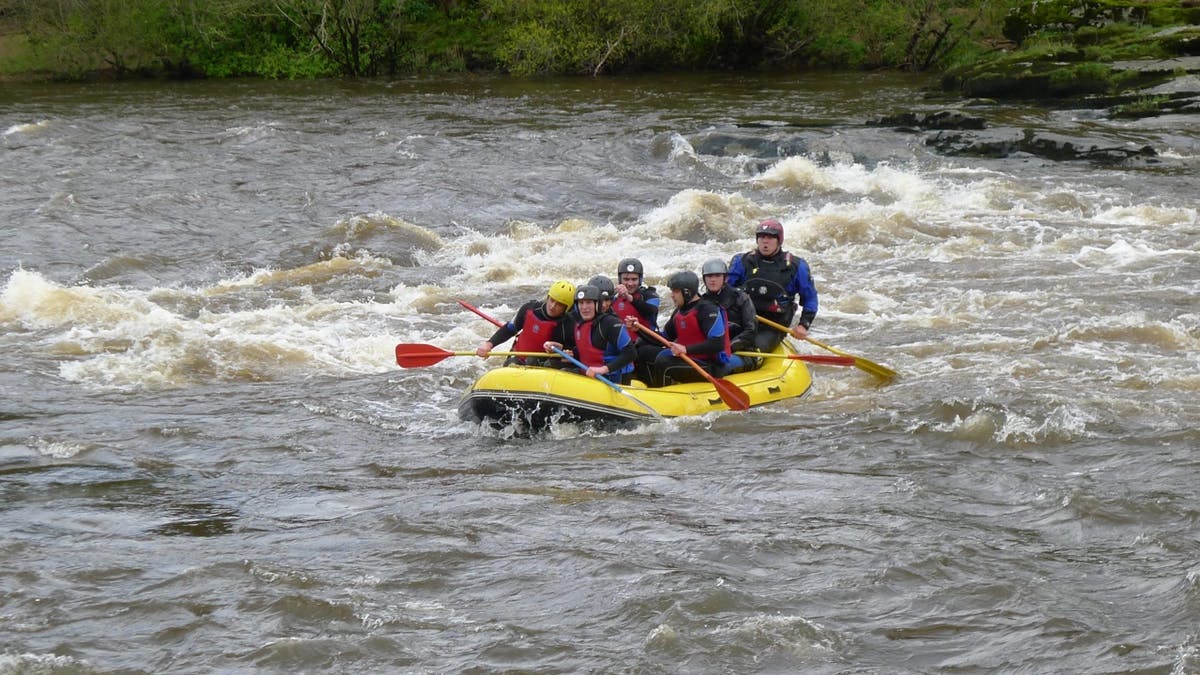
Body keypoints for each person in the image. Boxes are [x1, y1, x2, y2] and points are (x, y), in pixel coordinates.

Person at [726, 219, 818, 353]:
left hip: (773, 326)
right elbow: (726, 291)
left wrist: (803, 325)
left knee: (750, 349)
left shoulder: (796, 266)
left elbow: (810, 297)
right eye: (762, 237)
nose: (765, 241)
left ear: (779, 240)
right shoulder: (742, 261)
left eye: (770, 237)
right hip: (743, 319)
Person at [646, 271, 731, 388]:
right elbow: (664, 338)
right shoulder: (679, 311)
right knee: (645, 352)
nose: (672, 295)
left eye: (675, 291)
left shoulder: (707, 309)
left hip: (709, 366)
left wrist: (686, 349)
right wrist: (638, 331)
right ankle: (648, 389)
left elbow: (717, 344)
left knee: (664, 362)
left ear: (687, 292)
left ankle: (661, 395)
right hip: (690, 360)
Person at [475, 280, 576, 366]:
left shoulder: (570, 324)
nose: (553, 306)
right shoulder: (529, 309)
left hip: (547, 366)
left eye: (559, 304)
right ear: (548, 297)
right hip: (518, 359)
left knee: (535, 361)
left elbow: (573, 351)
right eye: (552, 300)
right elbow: (509, 329)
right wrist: (489, 344)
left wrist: (563, 350)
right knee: (514, 363)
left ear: (566, 308)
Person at [563, 284, 637, 384]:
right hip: (590, 376)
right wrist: (570, 352)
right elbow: (589, 350)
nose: (584, 307)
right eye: (581, 303)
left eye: (589, 302)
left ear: (597, 304)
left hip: (613, 378)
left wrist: (603, 369)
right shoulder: (579, 324)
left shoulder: (610, 323)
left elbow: (631, 353)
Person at [700, 258, 758, 373]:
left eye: (717, 276)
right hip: (713, 351)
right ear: (704, 279)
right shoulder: (702, 302)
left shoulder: (741, 298)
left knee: (716, 367)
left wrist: (728, 347)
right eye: (709, 276)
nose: (713, 280)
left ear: (725, 278)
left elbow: (751, 330)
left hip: (741, 352)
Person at [611, 258, 660, 339]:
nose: (630, 283)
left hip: (645, 344)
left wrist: (630, 298)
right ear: (620, 279)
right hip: (621, 345)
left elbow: (652, 311)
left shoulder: (649, 294)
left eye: (634, 279)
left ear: (640, 279)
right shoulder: (613, 296)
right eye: (626, 279)